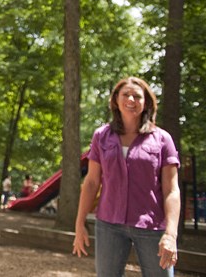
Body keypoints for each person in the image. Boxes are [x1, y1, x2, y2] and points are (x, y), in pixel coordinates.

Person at [72, 76, 181, 275]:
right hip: (109, 225)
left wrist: (171, 234)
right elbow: (91, 182)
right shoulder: (101, 136)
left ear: (146, 102)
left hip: (152, 226)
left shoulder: (163, 139)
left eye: (137, 96)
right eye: (125, 95)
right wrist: (79, 224)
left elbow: (171, 190)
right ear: (115, 100)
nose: (131, 100)